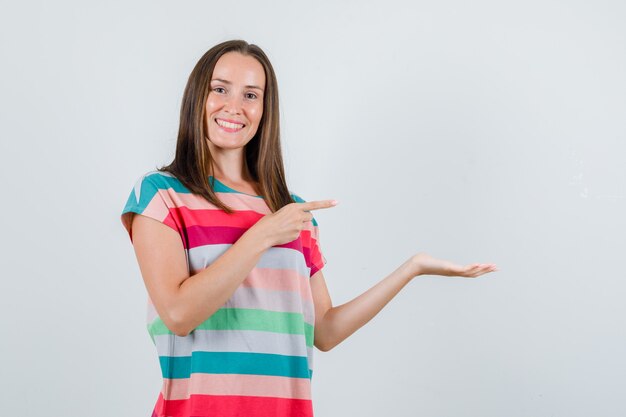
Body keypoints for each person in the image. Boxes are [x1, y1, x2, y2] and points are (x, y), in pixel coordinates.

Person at [120, 39, 498, 417]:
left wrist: (411, 268)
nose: (234, 106)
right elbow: (179, 314)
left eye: (251, 95)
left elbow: (325, 331)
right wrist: (264, 234)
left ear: (266, 110)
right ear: (197, 96)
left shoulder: (293, 213)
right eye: (220, 89)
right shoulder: (160, 195)